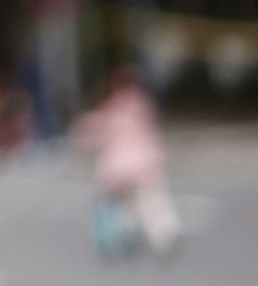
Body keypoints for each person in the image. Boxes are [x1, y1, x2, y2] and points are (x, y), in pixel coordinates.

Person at [71, 65, 182, 259]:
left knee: (125, 205)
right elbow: (152, 134)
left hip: (118, 167)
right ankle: (165, 235)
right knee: (153, 202)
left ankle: (126, 236)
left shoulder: (111, 108)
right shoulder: (142, 106)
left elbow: (94, 134)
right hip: (145, 163)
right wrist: (162, 156)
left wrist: (84, 140)